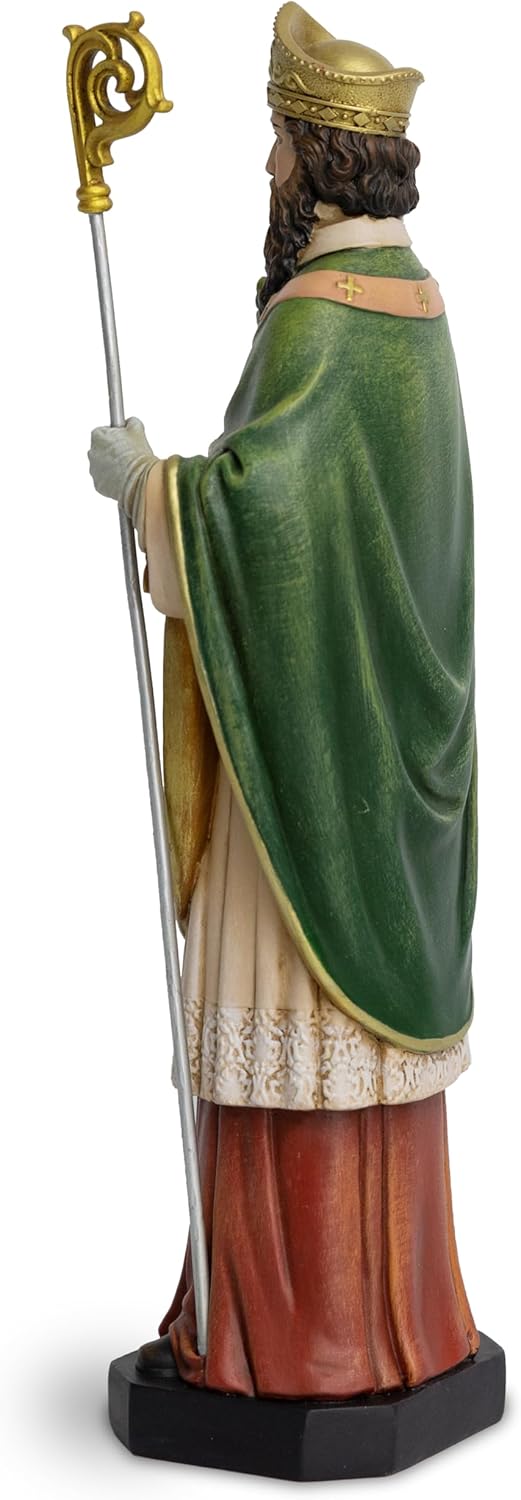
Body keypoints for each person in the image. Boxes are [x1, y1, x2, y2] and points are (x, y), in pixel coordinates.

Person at [88, 4, 479, 1400]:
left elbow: (263, 520)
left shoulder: (322, 321)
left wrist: (150, 484)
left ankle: (290, 1340)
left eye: (277, 144)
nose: (267, 168)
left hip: (303, 775)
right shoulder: (418, 310)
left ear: (318, 157)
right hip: (381, 761)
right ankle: (396, 1325)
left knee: (281, 1011)